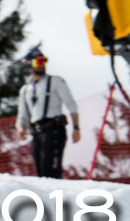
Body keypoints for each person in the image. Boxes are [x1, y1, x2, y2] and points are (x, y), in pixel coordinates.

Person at [15, 49, 81, 178]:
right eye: (37, 61)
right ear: (29, 64)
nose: (41, 64)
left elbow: (71, 104)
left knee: (51, 172)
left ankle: (57, 196)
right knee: (41, 172)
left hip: (54, 130)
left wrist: (76, 127)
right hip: (37, 133)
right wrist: (21, 129)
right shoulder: (25, 89)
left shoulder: (55, 81)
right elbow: (22, 115)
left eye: (43, 61)